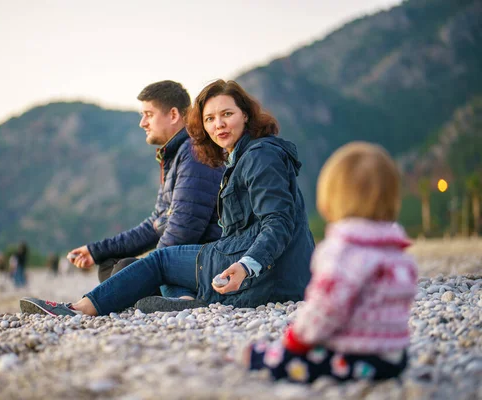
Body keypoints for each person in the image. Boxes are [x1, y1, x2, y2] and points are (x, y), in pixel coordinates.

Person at [20, 79, 314, 316]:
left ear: (246, 115)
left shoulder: (260, 155)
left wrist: (248, 264)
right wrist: (98, 250)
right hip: (261, 267)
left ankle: (77, 310)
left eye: (227, 114)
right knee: (147, 267)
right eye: (210, 118)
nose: (218, 125)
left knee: (159, 261)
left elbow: (278, 221)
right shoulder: (242, 157)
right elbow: (157, 223)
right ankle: (184, 300)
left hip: (264, 272)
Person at [244, 142, 418, 383]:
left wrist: (297, 339)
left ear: (328, 204)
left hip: (358, 359)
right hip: (395, 358)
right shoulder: (397, 252)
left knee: (285, 359)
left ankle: (262, 358)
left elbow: (327, 307)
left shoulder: (342, 251)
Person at [68, 80, 223, 284]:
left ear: (174, 115)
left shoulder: (194, 152)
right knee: (109, 263)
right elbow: (154, 226)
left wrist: (148, 269)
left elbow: (183, 230)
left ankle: (176, 296)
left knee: (124, 270)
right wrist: (95, 251)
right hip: (182, 258)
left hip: (206, 262)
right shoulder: (176, 155)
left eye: (149, 114)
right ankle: (152, 295)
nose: (142, 123)